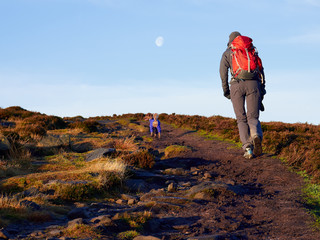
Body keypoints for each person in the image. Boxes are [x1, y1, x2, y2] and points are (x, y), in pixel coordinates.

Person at [219, 31, 266, 159]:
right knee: (253, 117)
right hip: (254, 84)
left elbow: (223, 74)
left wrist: (226, 90)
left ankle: (248, 149)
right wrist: (262, 89)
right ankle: (256, 134)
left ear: (230, 41)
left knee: (241, 118)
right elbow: (261, 70)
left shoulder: (227, 53)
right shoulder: (251, 51)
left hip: (236, 86)